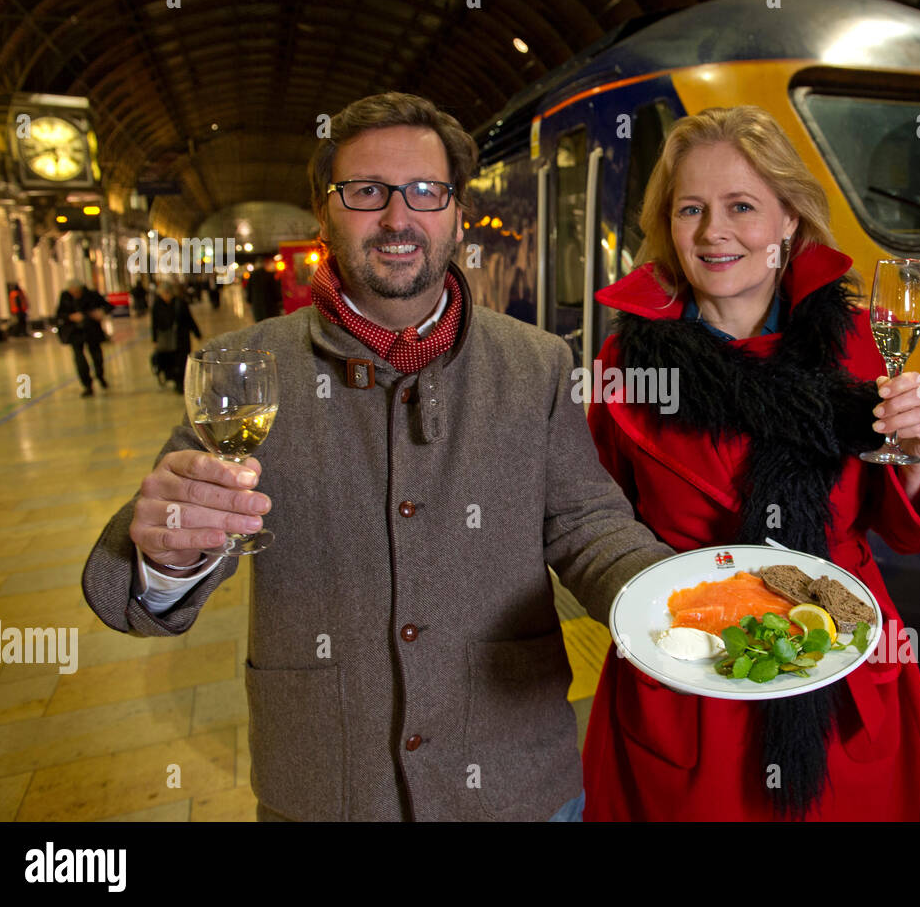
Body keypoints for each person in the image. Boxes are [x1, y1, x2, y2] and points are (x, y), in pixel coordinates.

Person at [81, 92, 673, 822]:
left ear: (458, 213)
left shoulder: (537, 363)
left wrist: (673, 603)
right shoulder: (245, 367)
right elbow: (135, 588)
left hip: (519, 786)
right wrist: (169, 555)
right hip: (327, 789)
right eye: (365, 192)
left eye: (426, 191)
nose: (398, 217)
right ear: (324, 214)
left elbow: (588, 524)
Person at [579, 106, 920, 821]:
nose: (713, 231)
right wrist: (656, 612)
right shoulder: (623, 365)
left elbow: (905, 531)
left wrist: (919, 455)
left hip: (837, 662)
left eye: (742, 206)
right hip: (692, 671)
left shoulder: (857, 345)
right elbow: (592, 518)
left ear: (789, 220)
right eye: (690, 208)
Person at [56, 279, 112, 396]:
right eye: (73, 291)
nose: (75, 294)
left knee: (97, 356)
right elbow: (59, 314)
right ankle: (87, 385)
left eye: (77, 291)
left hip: (91, 330)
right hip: (74, 332)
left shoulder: (91, 295)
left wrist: (100, 312)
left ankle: (100, 376)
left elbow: (108, 306)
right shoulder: (65, 297)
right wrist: (70, 317)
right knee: (79, 358)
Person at [150, 280, 202, 393]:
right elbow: (154, 324)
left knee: (182, 361)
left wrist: (196, 332)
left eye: (167, 293)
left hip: (181, 338)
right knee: (170, 361)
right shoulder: (157, 305)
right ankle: (175, 380)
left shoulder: (180, 303)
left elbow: (189, 319)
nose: (166, 296)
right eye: (163, 293)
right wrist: (154, 340)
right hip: (166, 339)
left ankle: (181, 383)